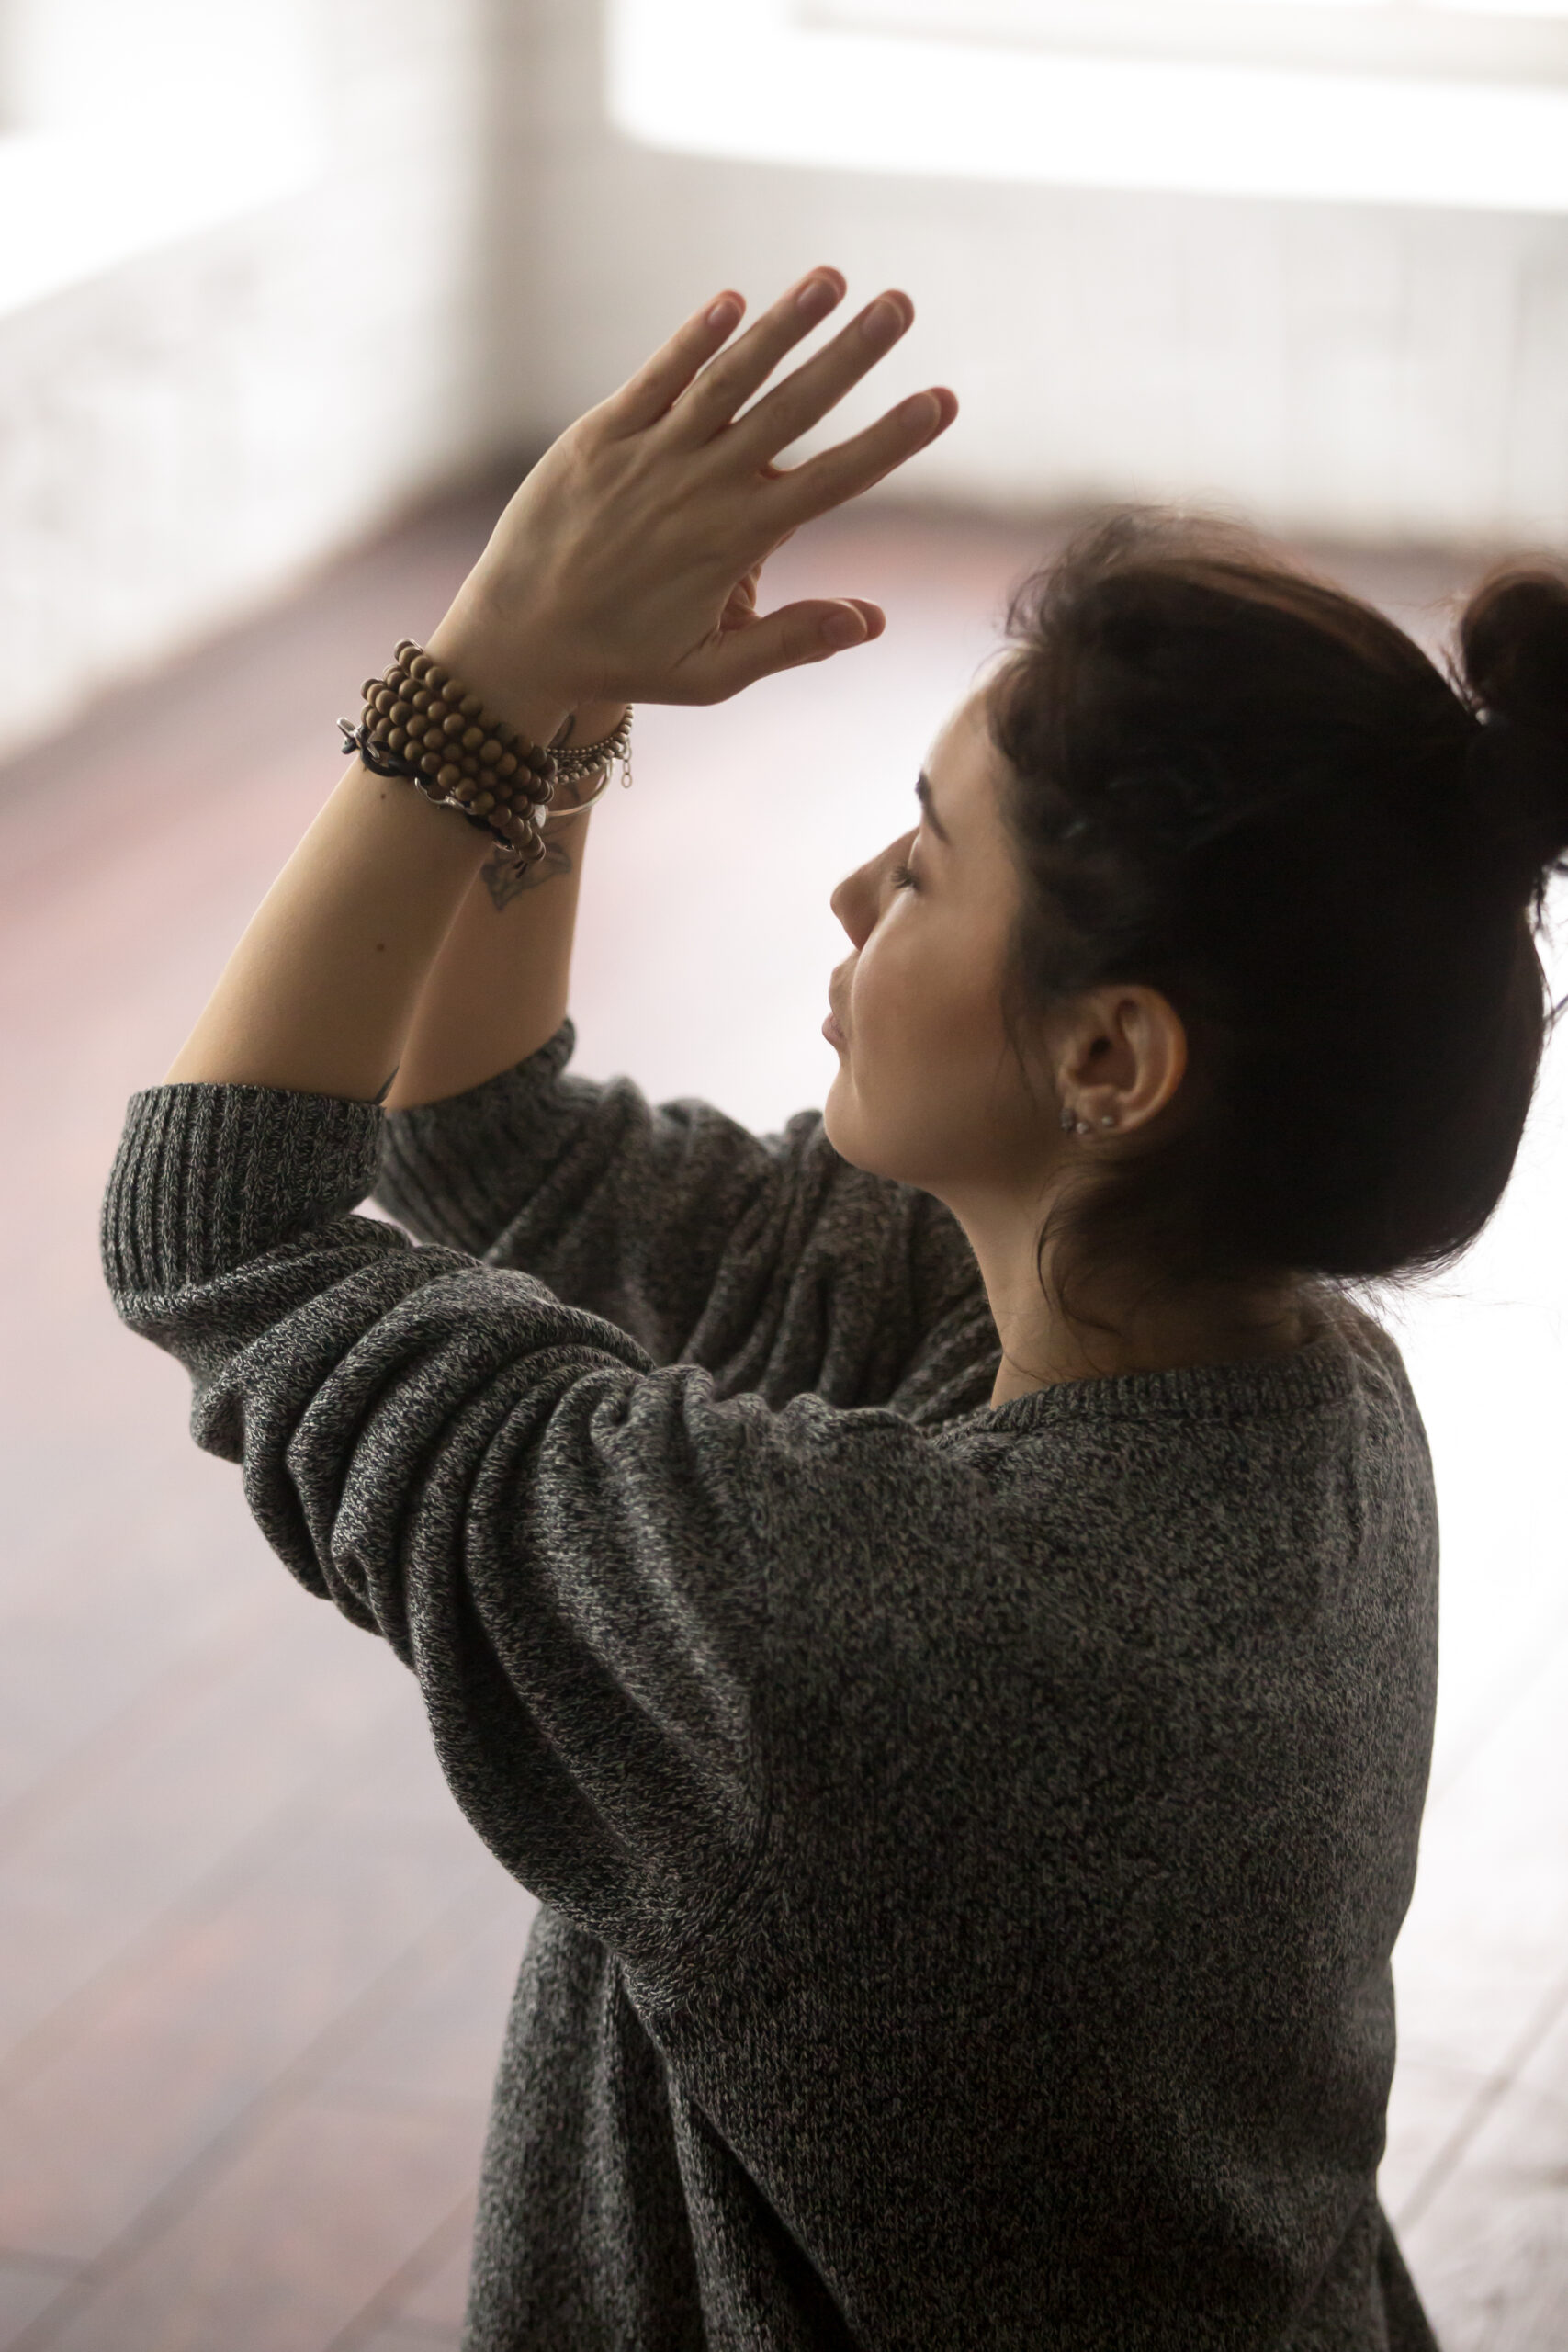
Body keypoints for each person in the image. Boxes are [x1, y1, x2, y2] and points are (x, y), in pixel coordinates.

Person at [101, 266, 1568, 2348]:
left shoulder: (851, 1623)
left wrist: (486, 665)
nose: (853, 895)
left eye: (925, 861)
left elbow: (212, 1227)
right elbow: (494, 1152)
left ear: (1111, 1058)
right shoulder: (1284, 1390)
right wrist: (565, 706)